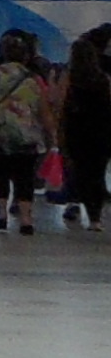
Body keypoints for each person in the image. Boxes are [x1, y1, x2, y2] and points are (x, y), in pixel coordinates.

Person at [0, 30, 54, 235]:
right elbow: (44, 109)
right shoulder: (34, 79)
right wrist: (51, 133)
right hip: (27, 134)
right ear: (26, 55)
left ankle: (1, 214)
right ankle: (26, 219)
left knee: (0, 173)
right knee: (25, 177)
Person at [61, 28, 111, 229]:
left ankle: (74, 201)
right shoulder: (103, 79)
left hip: (75, 130)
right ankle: (95, 218)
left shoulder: (68, 79)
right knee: (97, 173)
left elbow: (60, 103)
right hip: (101, 130)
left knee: (77, 170)